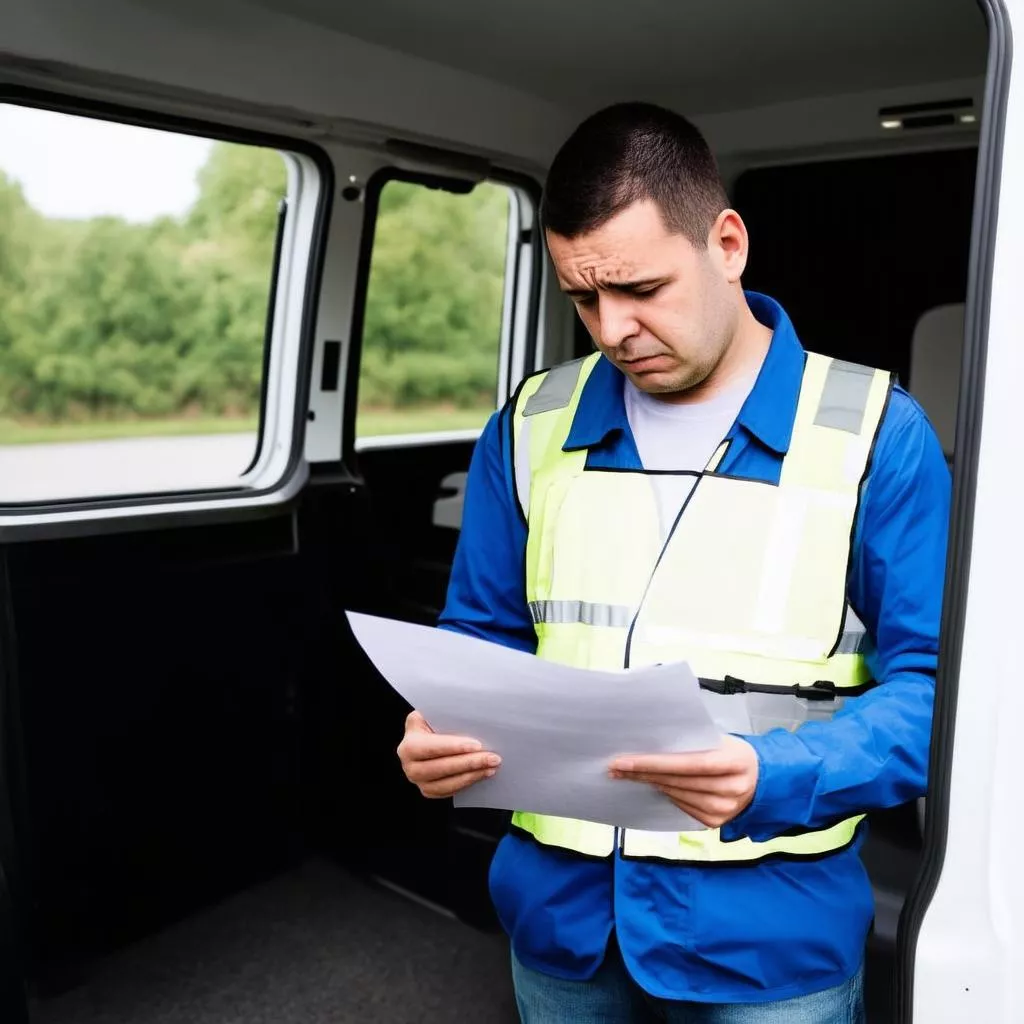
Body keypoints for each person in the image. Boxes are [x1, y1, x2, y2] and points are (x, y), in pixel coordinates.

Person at [397, 101, 950, 1023]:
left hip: (768, 943)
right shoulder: (530, 426)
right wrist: (444, 730)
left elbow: (936, 689)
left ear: (726, 244)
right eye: (583, 296)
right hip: (561, 928)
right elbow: (480, 639)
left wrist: (777, 776)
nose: (612, 329)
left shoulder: (875, 437)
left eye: (643, 289)